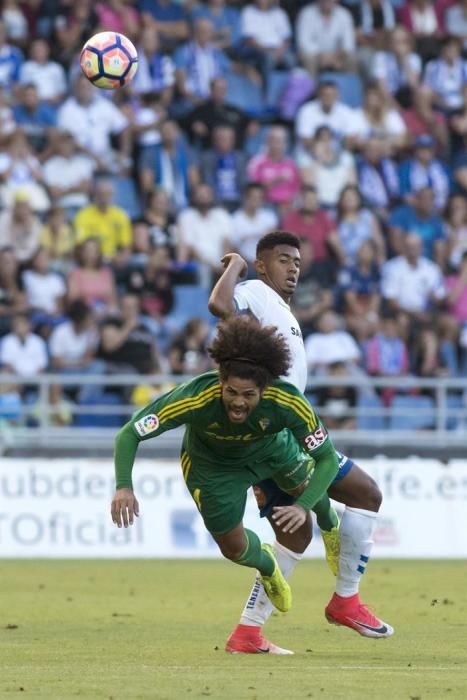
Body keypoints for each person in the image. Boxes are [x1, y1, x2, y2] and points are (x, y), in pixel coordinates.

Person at [209, 231, 392, 652]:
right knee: (365, 493)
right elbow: (219, 306)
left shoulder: (281, 308)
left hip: (276, 430)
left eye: (297, 261)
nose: (293, 268)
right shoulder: (254, 290)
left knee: (294, 535)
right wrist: (235, 265)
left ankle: (248, 633)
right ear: (262, 265)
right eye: (283, 260)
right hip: (280, 431)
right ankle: (345, 600)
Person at [111, 315, 343, 624]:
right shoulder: (195, 397)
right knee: (232, 548)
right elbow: (130, 433)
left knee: (305, 485)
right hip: (213, 465)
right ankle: (268, 567)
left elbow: (326, 458)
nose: (237, 403)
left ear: (265, 389)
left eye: (249, 395)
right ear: (221, 382)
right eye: (231, 392)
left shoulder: (287, 401)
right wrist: (124, 486)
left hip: (270, 448)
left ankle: (330, 525)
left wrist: (303, 507)